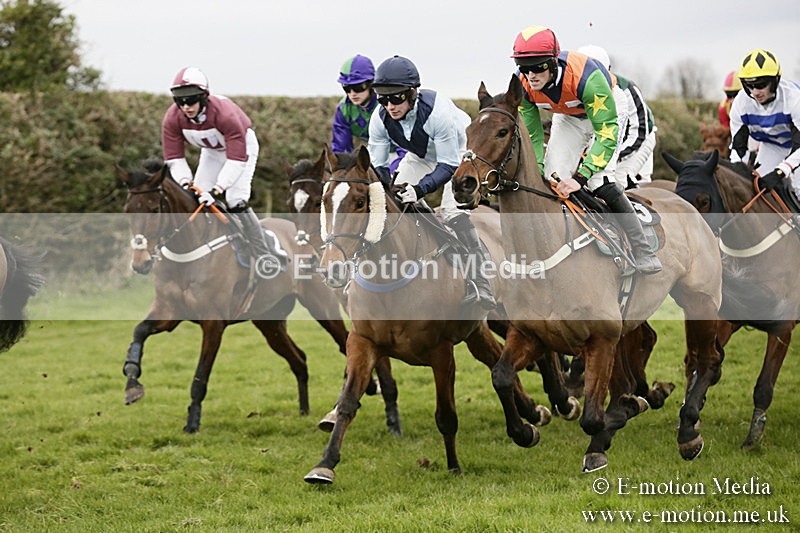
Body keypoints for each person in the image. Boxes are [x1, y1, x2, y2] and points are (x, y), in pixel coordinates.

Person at [512, 25, 661, 274]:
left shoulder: (587, 78)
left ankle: (641, 248)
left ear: (552, 63)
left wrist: (581, 176)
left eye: (538, 67)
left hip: (607, 110)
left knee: (598, 180)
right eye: (524, 68)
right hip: (568, 116)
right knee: (551, 178)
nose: (531, 76)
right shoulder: (523, 84)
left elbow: (606, 133)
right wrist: (537, 168)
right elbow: (533, 135)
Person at [367, 55, 496, 309]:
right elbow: (379, 167)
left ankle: (481, 282)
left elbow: (448, 165)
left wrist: (418, 190)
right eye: (383, 99)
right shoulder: (379, 118)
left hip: (459, 156)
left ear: (413, 93)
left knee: (452, 214)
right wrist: (392, 191)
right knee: (393, 204)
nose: (390, 106)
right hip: (421, 156)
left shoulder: (438, 114)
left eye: (396, 97)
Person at [162, 66, 286, 271]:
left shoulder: (225, 115)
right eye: (180, 101)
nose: (186, 106)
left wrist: (217, 189)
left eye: (191, 100)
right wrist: (186, 183)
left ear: (203, 97)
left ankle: (265, 253)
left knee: (235, 200)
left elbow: (236, 160)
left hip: (241, 151)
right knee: (196, 200)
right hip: (212, 153)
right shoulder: (172, 118)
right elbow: (174, 158)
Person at [578, 45, 657, 189]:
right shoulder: (575, 88)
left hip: (638, 138)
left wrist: (612, 155)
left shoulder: (626, 89)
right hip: (605, 139)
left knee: (617, 177)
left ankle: (633, 210)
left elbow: (640, 130)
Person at [729, 49, 800, 195]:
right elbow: (738, 148)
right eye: (749, 85)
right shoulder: (741, 103)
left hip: (796, 147)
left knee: (798, 189)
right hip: (772, 146)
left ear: (774, 81)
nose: (755, 92)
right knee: (755, 189)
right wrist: (736, 172)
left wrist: (781, 171)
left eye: (761, 85)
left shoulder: (794, 99)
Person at [332, 54, 405, 171]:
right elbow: (342, 151)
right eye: (346, 88)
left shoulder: (387, 105)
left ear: (371, 84)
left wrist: (392, 173)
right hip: (376, 150)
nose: (352, 94)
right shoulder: (343, 110)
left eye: (358, 87)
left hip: (407, 152)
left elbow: (405, 147)